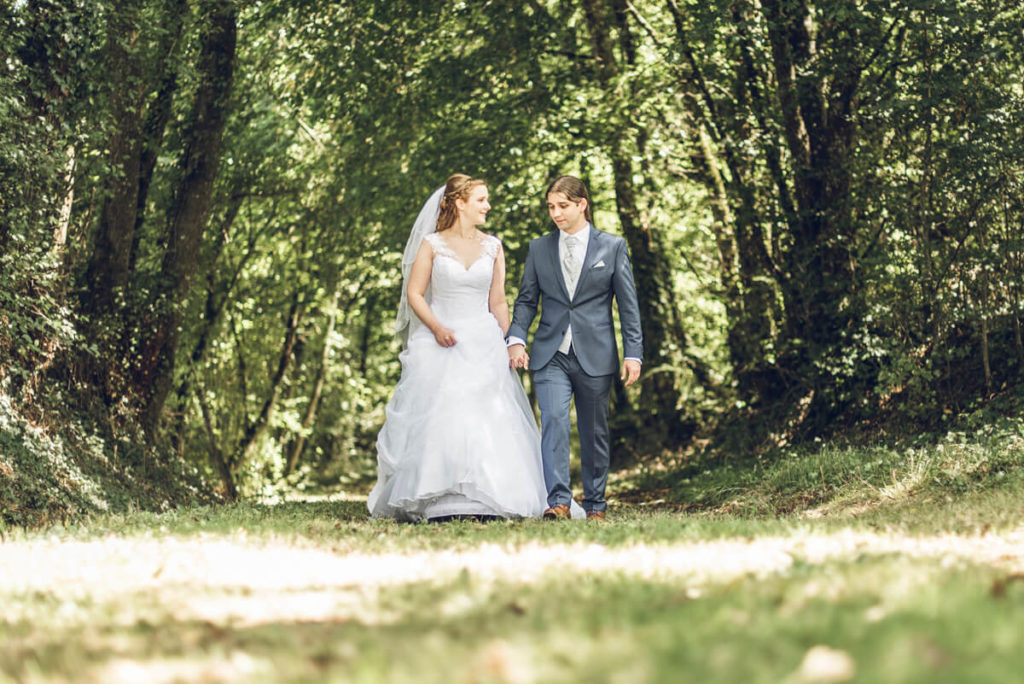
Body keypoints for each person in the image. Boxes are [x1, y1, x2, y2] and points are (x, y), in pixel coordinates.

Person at [368, 174, 582, 522]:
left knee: (489, 415)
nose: (488, 206)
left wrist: (511, 342)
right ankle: (440, 498)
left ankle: (487, 498)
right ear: (459, 203)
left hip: (483, 340)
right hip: (440, 339)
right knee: (445, 414)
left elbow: (498, 301)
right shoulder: (432, 244)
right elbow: (414, 294)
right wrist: (436, 328)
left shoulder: (493, 246)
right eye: (481, 199)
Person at [507, 176, 643, 520]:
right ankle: (559, 502)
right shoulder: (538, 248)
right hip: (550, 353)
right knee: (552, 420)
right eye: (551, 207)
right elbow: (526, 300)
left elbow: (628, 305)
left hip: (596, 354)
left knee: (594, 430)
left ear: (582, 204)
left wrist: (633, 353)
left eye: (563, 206)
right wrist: (516, 338)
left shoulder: (611, 247)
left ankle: (596, 504)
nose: (556, 213)